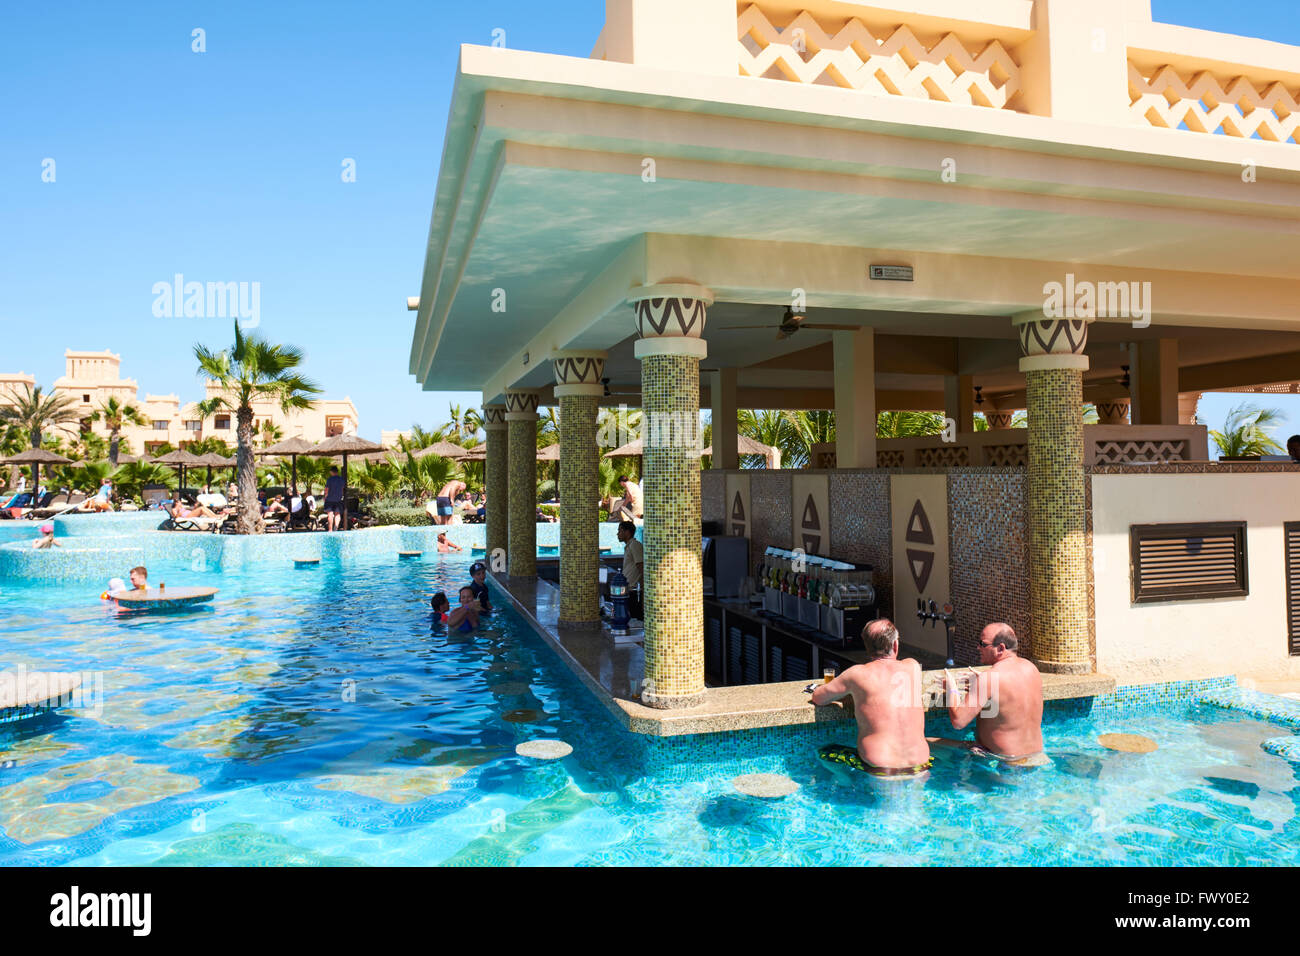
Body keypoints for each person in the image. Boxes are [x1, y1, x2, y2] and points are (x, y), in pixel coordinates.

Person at [809, 619, 933, 779]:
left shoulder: (856, 674)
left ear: (867, 648)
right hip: (920, 768)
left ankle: (845, 782)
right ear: (895, 645)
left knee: (826, 752)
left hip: (881, 771)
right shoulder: (913, 666)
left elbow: (818, 698)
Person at [934, 623, 1046, 767]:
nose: (978, 648)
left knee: (927, 744)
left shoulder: (988, 679)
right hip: (1037, 757)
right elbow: (1010, 698)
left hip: (1004, 762)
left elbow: (958, 722)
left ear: (1001, 648)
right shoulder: (1031, 668)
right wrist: (982, 685)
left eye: (983, 644)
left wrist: (952, 689)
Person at [615, 520, 643, 620]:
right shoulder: (629, 546)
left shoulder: (635, 545)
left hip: (634, 590)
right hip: (628, 589)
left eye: (620, 531)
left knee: (636, 617)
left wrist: (643, 590)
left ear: (627, 532)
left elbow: (641, 566)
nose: (618, 534)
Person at [323, 466, 346, 531]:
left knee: (330, 514)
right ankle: (336, 528)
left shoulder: (330, 479)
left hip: (329, 499)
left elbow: (327, 489)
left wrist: (325, 496)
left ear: (331, 472)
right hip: (338, 499)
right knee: (337, 514)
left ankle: (330, 530)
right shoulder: (341, 479)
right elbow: (342, 489)